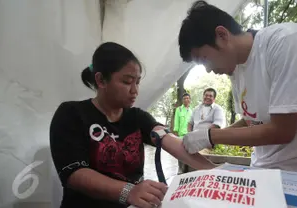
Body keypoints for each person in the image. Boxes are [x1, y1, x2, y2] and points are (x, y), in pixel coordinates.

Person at [177, 0, 297, 179]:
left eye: (204, 59)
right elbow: (251, 121)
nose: (208, 69)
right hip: (263, 171)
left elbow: (282, 131)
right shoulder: (236, 69)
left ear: (222, 35)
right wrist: (206, 136)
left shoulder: (286, 42)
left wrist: (212, 136)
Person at [49, 42, 215, 208]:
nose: (135, 90)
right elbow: (75, 175)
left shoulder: (136, 117)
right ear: (101, 80)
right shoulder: (71, 114)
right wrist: (129, 191)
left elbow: (167, 139)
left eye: (137, 82)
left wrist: (215, 172)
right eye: (127, 82)